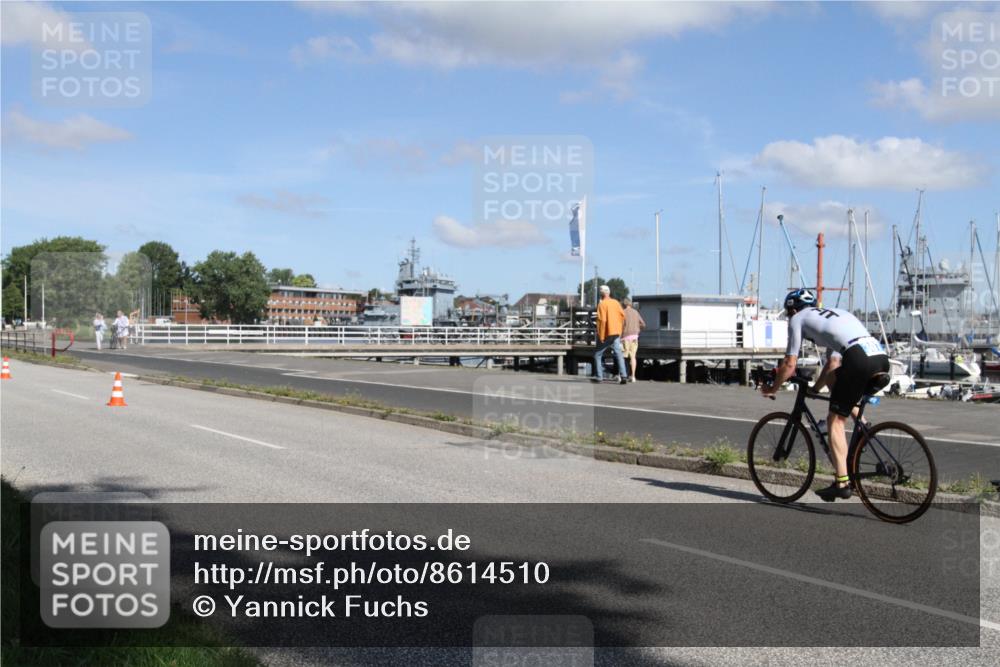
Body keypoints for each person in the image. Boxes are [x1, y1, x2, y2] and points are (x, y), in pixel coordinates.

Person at [760, 288, 890, 502]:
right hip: (879, 356)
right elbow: (832, 365)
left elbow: (789, 364)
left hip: (858, 359)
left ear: (792, 309)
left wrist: (773, 388)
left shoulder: (798, 319)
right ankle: (863, 427)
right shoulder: (836, 315)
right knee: (837, 384)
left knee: (835, 421)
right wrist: (815, 388)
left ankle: (842, 483)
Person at [592, 285, 628, 385]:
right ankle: (624, 376)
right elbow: (622, 316)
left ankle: (599, 377)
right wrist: (620, 329)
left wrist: (601, 335)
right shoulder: (616, 302)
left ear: (601, 294)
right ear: (609, 292)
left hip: (608, 332)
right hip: (616, 332)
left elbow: (602, 321)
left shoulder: (602, 304)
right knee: (618, 354)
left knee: (597, 355)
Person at [620, 298, 646, 382]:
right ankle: (633, 376)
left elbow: (621, 325)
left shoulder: (623, 312)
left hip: (625, 336)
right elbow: (643, 324)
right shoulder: (636, 312)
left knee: (624, 357)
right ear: (630, 304)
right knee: (633, 357)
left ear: (624, 304)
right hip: (635, 336)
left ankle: (623, 375)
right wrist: (638, 329)